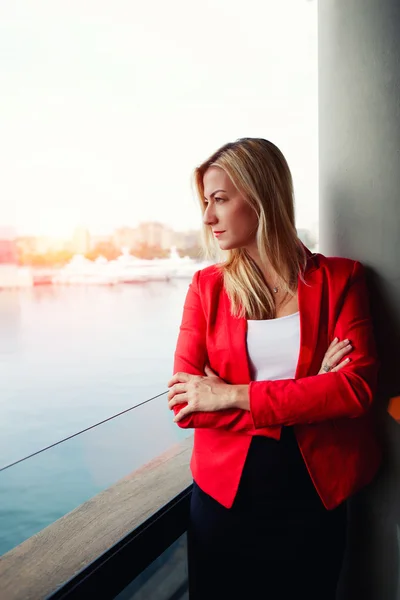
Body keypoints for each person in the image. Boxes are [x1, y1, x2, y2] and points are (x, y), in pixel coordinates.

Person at [167, 138, 381, 600]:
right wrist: (312, 391)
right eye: (206, 202)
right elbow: (188, 405)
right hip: (224, 499)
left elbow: (357, 390)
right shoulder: (206, 289)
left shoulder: (343, 279)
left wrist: (229, 394)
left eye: (220, 200)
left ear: (262, 197)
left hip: (313, 494)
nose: (208, 217)